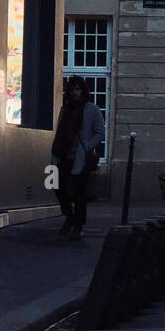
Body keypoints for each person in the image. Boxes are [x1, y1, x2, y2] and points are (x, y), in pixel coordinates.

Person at [51, 76, 104, 241]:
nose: (75, 93)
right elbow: (59, 131)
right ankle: (69, 217)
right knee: (55, 185)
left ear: (83, 91)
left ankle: (78, 225)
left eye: (78, 89)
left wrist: (87, 145)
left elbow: (99, 133)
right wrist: (54, 154)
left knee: (80, 192)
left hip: (81, 157)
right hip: (63, 154)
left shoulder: (91, 109)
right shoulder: (64, 109)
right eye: (72, 89)